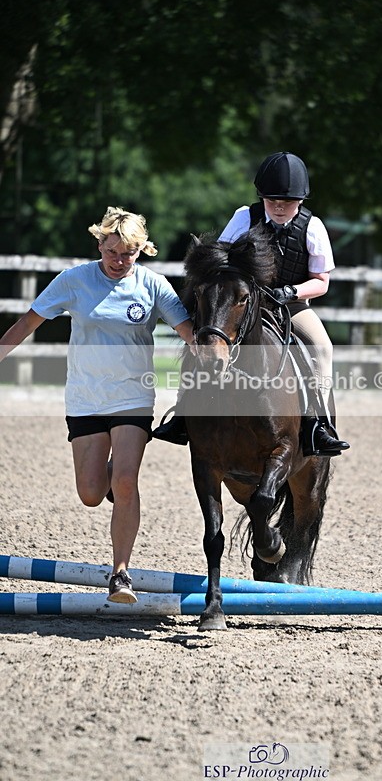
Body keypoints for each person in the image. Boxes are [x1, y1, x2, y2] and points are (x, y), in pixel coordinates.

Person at [0, 207, 194, 603]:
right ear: (99, 244)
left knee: (125, 481)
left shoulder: (153, 285)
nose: (119, 261)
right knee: (91, 493)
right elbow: (27, 323)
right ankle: (110, 470)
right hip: (85, 398)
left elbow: (189, 332)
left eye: (129, 254)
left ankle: (121, 573)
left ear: (141, 250)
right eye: (112, 252)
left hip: (132, 398)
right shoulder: (75, 280)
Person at [155, 151, 349, 457]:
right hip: (241, 305)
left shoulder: (313, 227)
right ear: (262, 197)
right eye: (272, 200)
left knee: (323, 348)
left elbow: (321, 281)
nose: (279, 207)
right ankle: (182, 414)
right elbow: (221, 259)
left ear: (301, 200)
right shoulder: (244, 217)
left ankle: (317, 425)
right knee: (203, 338)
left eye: (287, 201)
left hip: (290, 306)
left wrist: (290, 292)